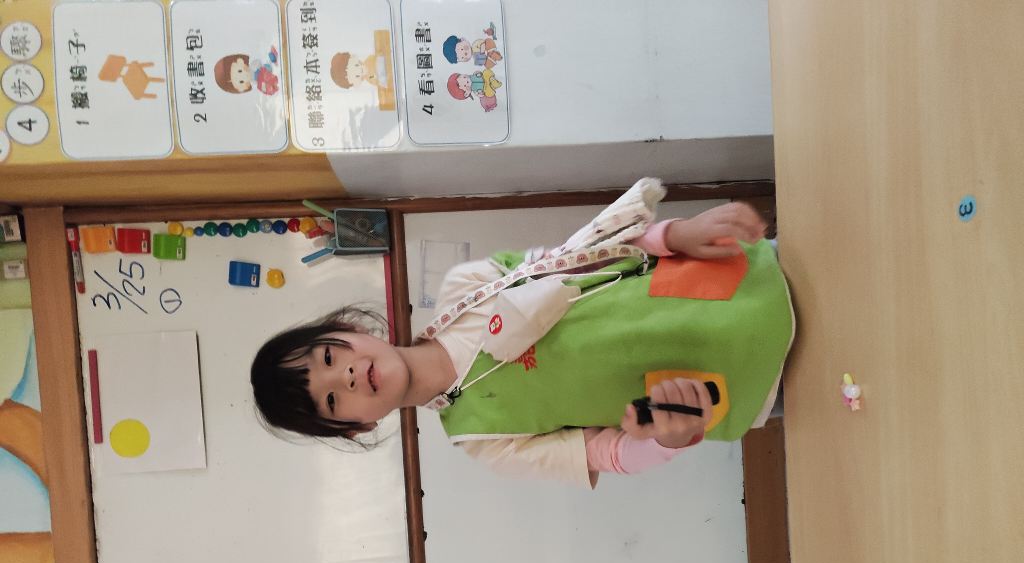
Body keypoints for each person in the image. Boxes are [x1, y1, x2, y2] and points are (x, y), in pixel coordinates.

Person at [251, 180, 793, 487]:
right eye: (332, 399)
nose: (346, 376)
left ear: (349, 329)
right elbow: (609, 454)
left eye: (329, 357)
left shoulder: (464, 287)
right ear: (356, 427)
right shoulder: (482, 440)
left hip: (745, 279)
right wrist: (668, 438)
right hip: (753, 386)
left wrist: (675, 234)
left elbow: (587, 255)